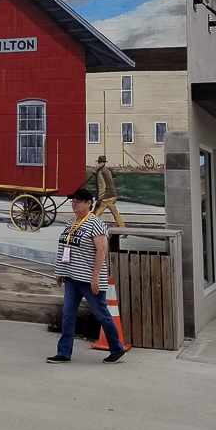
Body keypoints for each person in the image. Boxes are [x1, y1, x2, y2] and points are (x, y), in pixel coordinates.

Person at [48, 188, 125, 364]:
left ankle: (116, 348)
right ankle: (64, 352)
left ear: (89, 203)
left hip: (89, 278)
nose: (74, 204)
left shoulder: (96, 224)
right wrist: (60, 271)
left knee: (101, 313)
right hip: (72, 277)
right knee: (68, 313)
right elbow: (65, 248)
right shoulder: (71, 223)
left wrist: (96, 276)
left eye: (78, 201)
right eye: (73, 201)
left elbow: (101, 250)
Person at [92, 156, 124, 227]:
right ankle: (123, 228)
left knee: (95, 215)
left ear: (99, 163)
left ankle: (89, 228)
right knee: (116, 214)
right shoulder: (107, 171)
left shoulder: (100, 172)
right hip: (113, 196)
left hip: (105, 198)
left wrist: (100, 199)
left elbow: (102, 186)